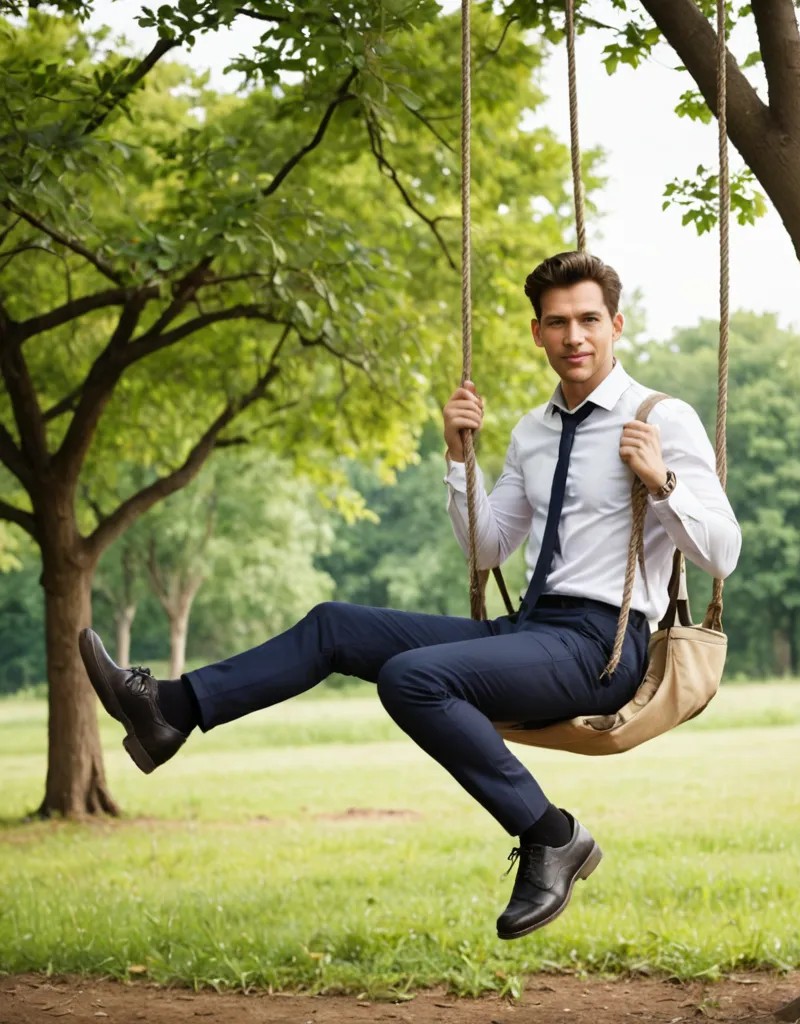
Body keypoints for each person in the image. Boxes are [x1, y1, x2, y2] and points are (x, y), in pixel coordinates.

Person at [79, 251, 741, 941]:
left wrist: (662, 482)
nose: (574, 336)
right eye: (557, 323)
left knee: (413, 678)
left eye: (588, 320)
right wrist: (460, 460)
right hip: (532, 631)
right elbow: (487, 549)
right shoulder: (532, 432)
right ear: (537, 333)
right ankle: (173, 711)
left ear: (616, 325)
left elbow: (722, 553)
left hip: (602, 649)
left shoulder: (661, 419)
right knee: (334, 625)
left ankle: (551, 836)